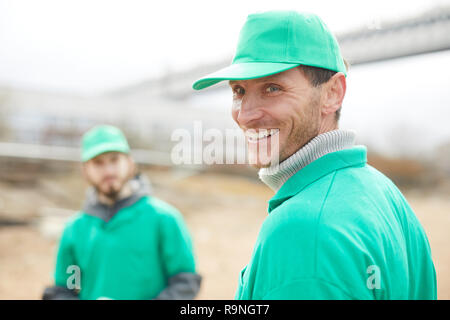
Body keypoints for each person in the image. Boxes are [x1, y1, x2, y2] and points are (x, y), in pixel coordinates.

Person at [193, 11, 437, 299]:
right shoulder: (383, 192)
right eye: (239, 90)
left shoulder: (301, 230)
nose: (245, 115)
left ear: (333, 93)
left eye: (273, 88)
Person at [43, 125, 201, 300]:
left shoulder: (164, 219)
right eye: (98, 163)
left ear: (130, 163)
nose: (108, 171)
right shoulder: (75, 230)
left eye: (114, 160)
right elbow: (65, 290)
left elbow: (185, 284)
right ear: (85, 170)